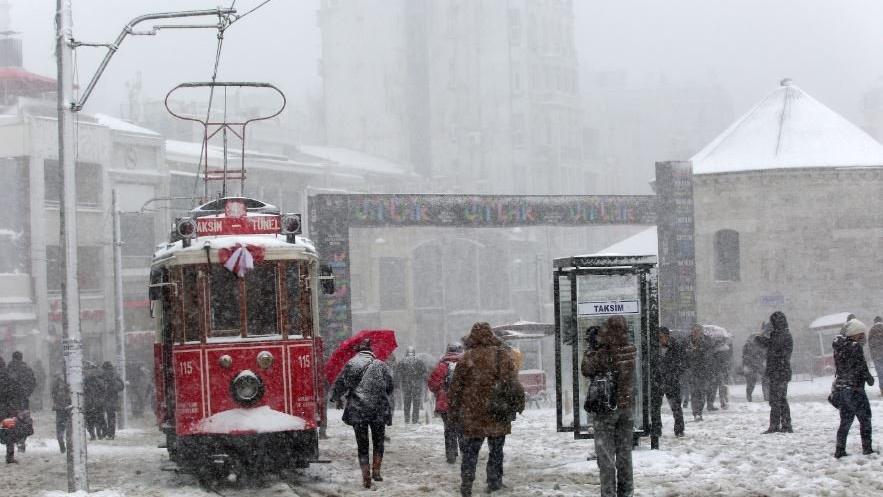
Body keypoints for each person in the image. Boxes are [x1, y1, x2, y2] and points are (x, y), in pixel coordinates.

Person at [448, 322, 517, 497]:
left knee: (470, 452)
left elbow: (455, 389)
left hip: (473, 413)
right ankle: (494, 482)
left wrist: (454, 413)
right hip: (497, 411)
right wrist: (513, 406)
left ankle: (467, 483)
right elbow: (512, 384)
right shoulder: (503, 356)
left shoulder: (466, 358)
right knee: (496, 450)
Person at [581, 316, 637, 497]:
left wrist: (592, 347)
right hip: (626, 407)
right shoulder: (629, 348)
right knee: (624, 455)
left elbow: (587, 369)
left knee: (605, 458)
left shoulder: (604, 350)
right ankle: (626, 492)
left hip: (606, 408)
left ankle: (609, 493)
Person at [329, 339, 394, 489]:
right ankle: (376, 470)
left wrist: (336, 398)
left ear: (358, 351)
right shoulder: (381, 365)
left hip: (359, 411)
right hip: (378, 410)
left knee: (362, 445)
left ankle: (366, 476)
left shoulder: (351, 364)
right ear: (371, 350)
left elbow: (340, 384)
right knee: (378, 442)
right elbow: (390, 387)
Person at [832, 319, 875, 458]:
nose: (863, 338)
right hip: (855, 389)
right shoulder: (855, 347)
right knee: (865, 418)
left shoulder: (839, 346)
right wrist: (869, 378)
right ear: (855, 334)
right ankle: (867, 448)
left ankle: (840, 450)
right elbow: (861, 366)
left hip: (842, 388)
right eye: (861, 334)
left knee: (845, 421)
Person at [755, 311, 793, 433]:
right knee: (777, 399)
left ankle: (781, 425)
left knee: (778, 399)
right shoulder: (778, 334)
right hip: (777, 371)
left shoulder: (783, 335)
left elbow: (775, 349)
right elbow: (771, 346)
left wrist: (763, 338)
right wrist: (761, 338)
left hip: (780, 371)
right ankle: (779, 424)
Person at [428, 342, 465, 464]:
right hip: (462, 403)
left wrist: (440, 390)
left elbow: (432, 384)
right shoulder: (465, 365)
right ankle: (466, 453)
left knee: (449, 429)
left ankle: (451, 454)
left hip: (445, 403)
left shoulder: (441, 366)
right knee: (462, 429)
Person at [651, 327, 686, 438]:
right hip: (657, 380)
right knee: (655, 406)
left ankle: (679, 429)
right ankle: (656, 428)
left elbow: (684, 362)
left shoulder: (676, 347)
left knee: (676, 406)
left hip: (672, 381)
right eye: (658, 337)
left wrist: (675, 373)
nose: (659, 339)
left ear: (667, 336)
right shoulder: (653, 347)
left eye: (661, 337)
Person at [5, 351, 36, 453]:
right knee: (24, 421)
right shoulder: (26, 369)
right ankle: (21, 440)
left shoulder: (8, 369)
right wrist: (26, 393)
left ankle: (11, 444)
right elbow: (33, 382)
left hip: (10, 401)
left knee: (10, 421)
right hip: (23, 400)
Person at [398, 346, 427, 424]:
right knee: (416, 403)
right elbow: (424, 373)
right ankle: (415, 420)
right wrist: (419, 377)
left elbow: (399, 374)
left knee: (407, 403)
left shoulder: (402, 362)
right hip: (416, 386)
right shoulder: (419, 361)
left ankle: (407, 419)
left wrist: (402, 380)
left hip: (406, 385)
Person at [687, 324, 710, 421]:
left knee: (701, 393)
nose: (695, 332)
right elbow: (684, 354)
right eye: (694, 330)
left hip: (702, 371)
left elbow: (708, 354)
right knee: (694, 393)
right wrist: (691, 351)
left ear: (701, 332)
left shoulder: (705, 341)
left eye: (698, 331)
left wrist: (699, 350)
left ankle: (699, 411)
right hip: (691, 371)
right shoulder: (687, 341)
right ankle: (695, 412)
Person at [100, 361, 124, 440]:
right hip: (112, 399)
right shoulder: (115, 375)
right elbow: (122, 386)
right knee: (111, 417)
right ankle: (111, 434)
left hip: (103, 398)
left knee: (101, 416)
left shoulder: (103, 375)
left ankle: (105, 432)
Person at [83, 362, 107, 440]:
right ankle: (97, 434)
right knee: (97, 419)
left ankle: (95, 434)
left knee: (92, 420)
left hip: (92, 403)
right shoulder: (98, 380)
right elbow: (103, 390)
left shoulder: (87, 381)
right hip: (95, 403)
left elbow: (103, 390)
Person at [742, 333, 769, 402]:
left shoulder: (761, 345)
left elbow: (764, 354)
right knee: (751, 382)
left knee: (765, 379)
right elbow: (744, 357)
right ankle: (749, 397)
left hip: (758, 364)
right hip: (751, 365)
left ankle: (766, 396)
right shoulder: (747, 346)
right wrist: (745, 365)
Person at [51, 373, 71, 453]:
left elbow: (54, 395)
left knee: (60, 428)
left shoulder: (56, 385)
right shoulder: (69, 383)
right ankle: (67, 445)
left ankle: (62, 446)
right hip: (68, 408)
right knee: (69, 428)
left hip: (60, 409)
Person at [868, 316, 883, 397]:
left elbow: (870, 344)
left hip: (877, 356)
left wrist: (872, 355)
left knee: (881, 374)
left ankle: (882, 391)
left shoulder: (872, 330)